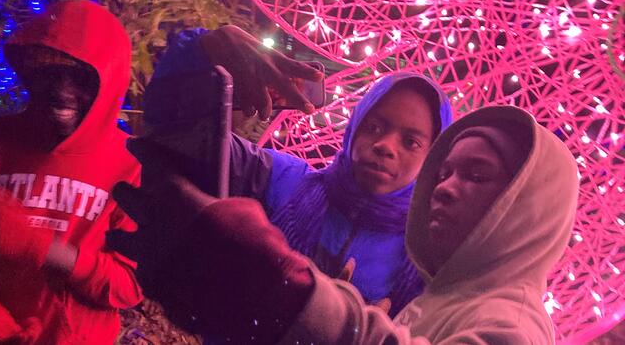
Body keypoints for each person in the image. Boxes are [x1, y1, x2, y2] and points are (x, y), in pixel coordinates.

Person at [108, 104, 579, 344]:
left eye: (476, 176)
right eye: (447, 171)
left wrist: (296, 296)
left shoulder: (511, 323)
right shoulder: (448, 291)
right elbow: (190, 137)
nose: (445, 187)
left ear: (527, 210)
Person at [152, 26, 453, 316]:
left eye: (411, 142)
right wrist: (204, 53)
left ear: (432, 158)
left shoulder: (426, 262)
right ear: (354, 128)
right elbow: (179, 136)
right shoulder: (280, 181)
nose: (386, 146)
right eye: (375, 126)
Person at [0, 0, 143, 344]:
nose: (62, 91)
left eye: (81, 78)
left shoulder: (130, 164)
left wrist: (44, 249)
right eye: (50, 72)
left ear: (108, 82)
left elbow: (130, 287)